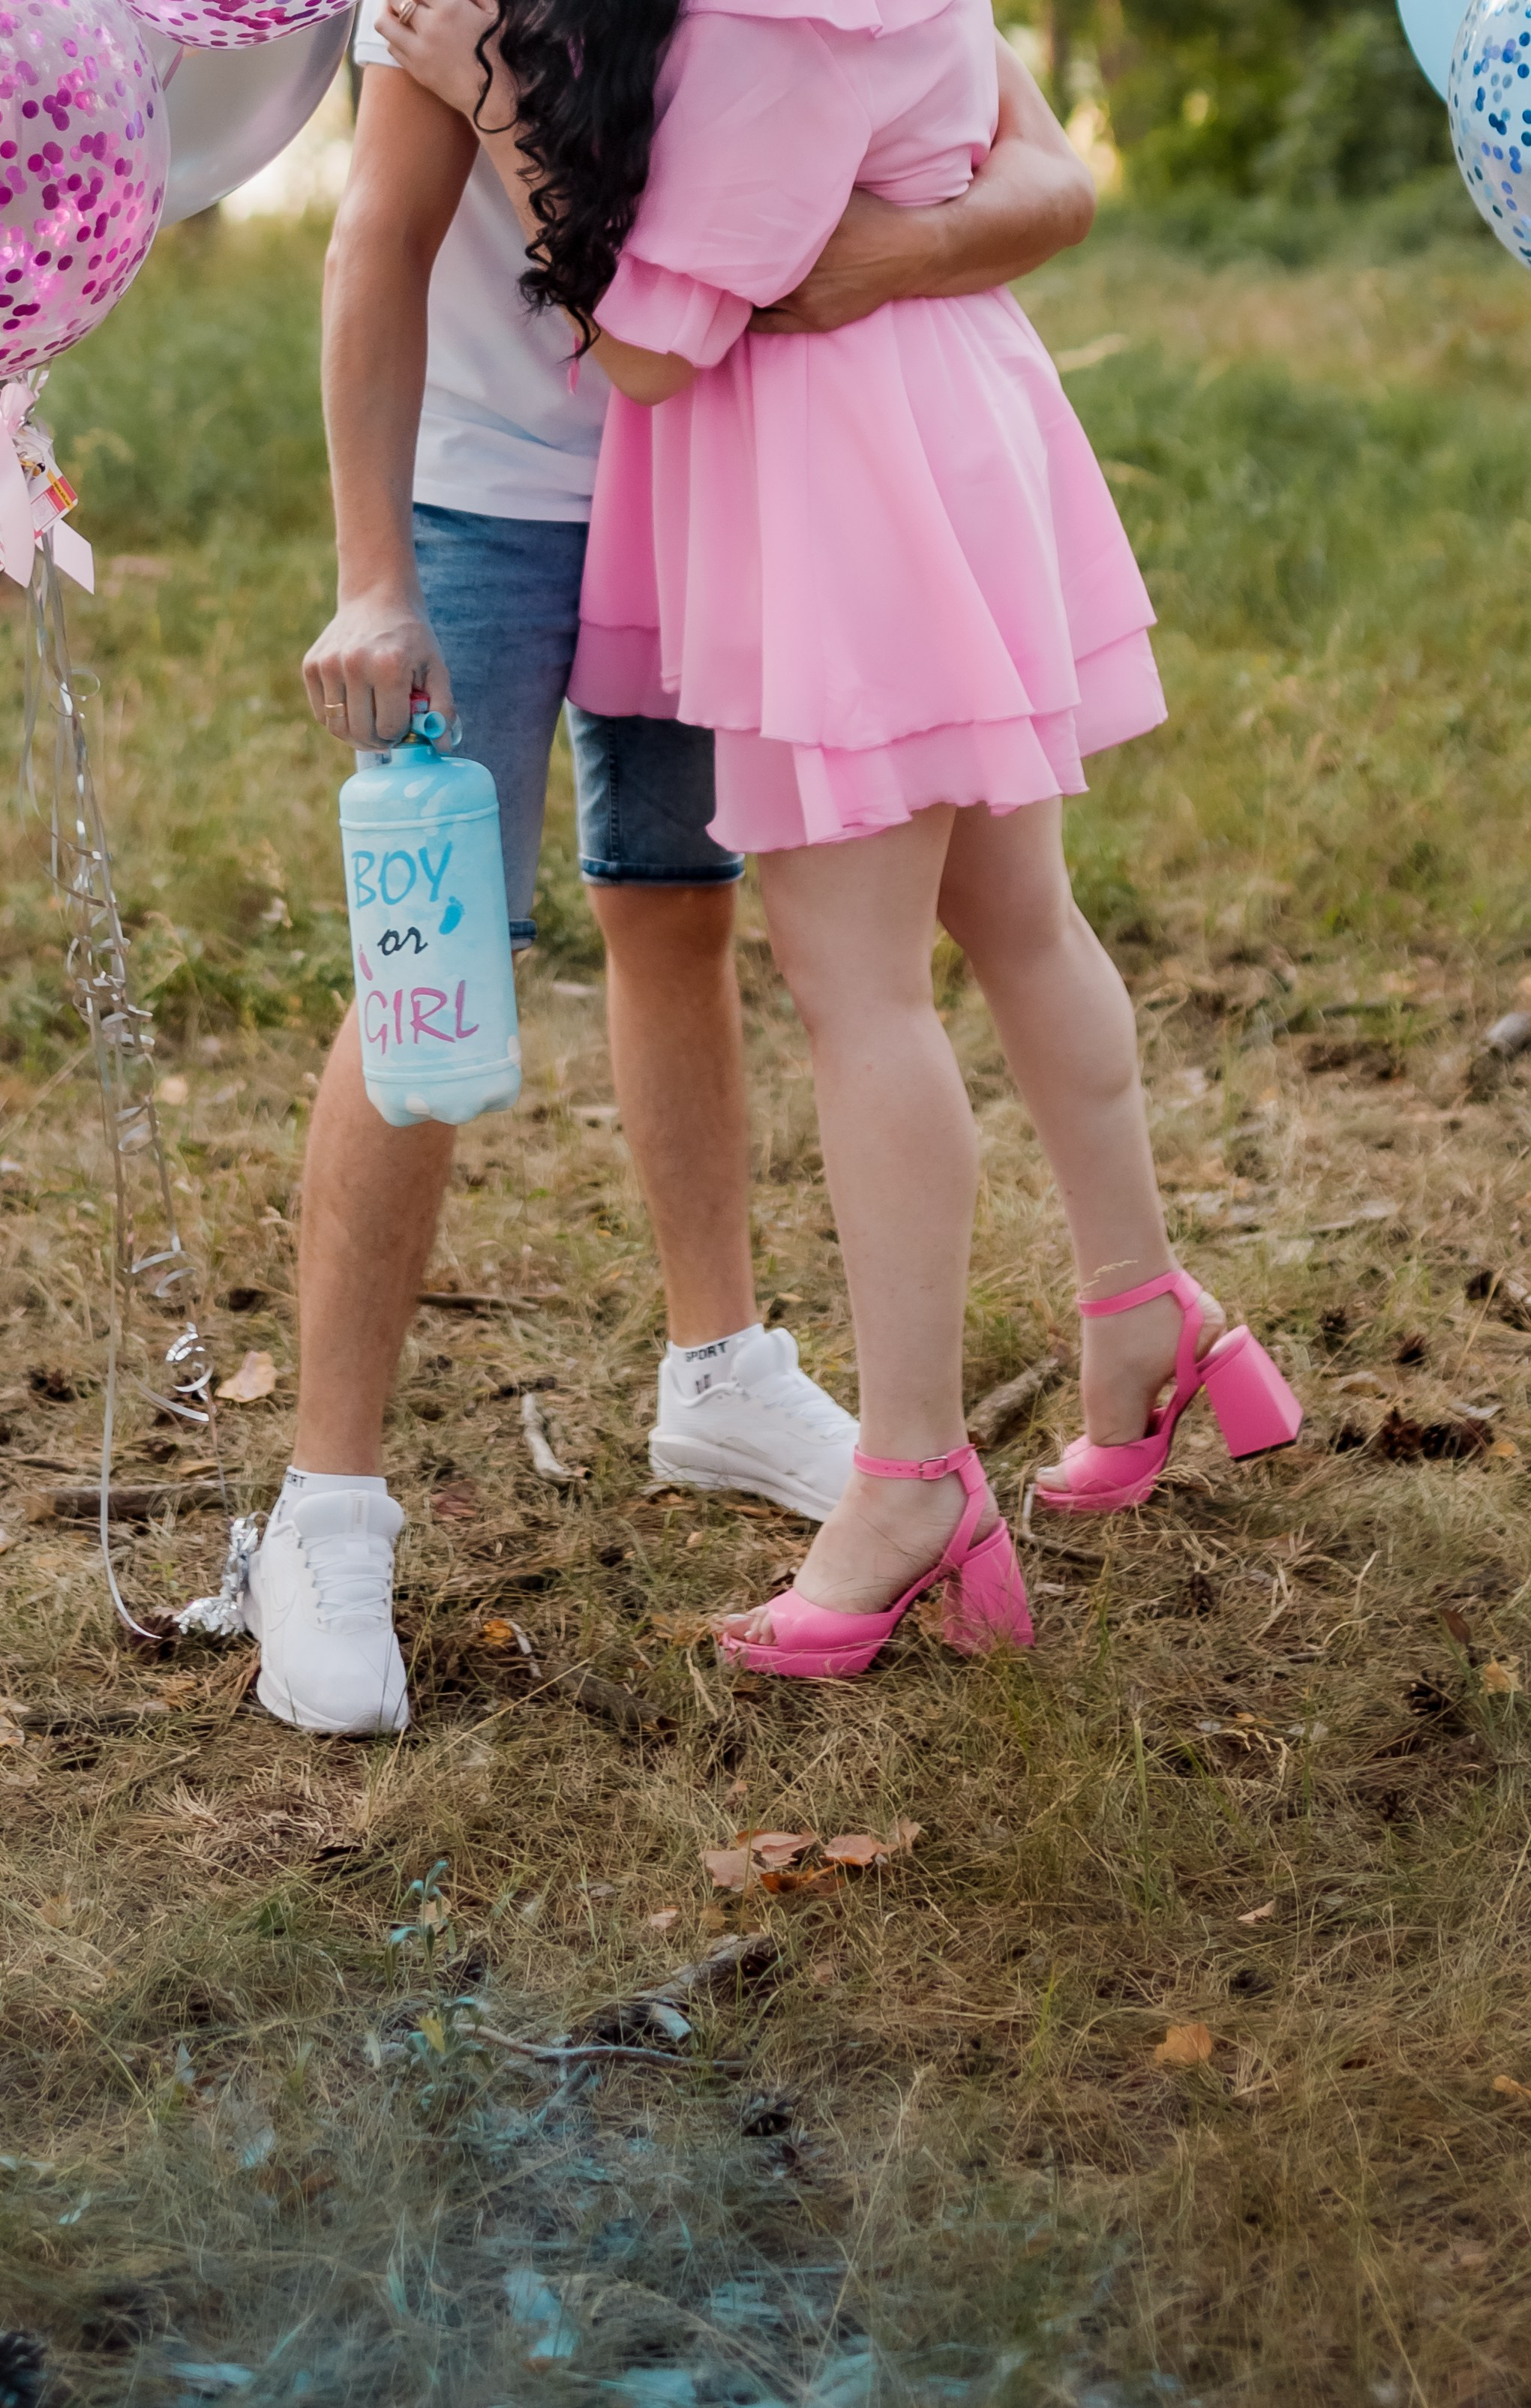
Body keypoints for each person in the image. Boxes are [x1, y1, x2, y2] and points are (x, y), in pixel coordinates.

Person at [386, 0, 1305, 1683]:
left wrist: (492, 103)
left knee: (857, 982)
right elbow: (1009, 146)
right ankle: (1142, 1317)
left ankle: (907, 1481)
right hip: (950, 428)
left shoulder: (762, 31)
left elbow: (656, 346)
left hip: (841, 480)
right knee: (1020, 917)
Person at [239, 0, 1103, 1732]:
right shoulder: (466, 4)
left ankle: (718, 1367)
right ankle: (326, 1505)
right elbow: (377, 241)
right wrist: (372, 569)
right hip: (490, 508)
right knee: (433, 965)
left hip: (725, 480)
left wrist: (892, 254)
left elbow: (1039, 181)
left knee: (677, 910)